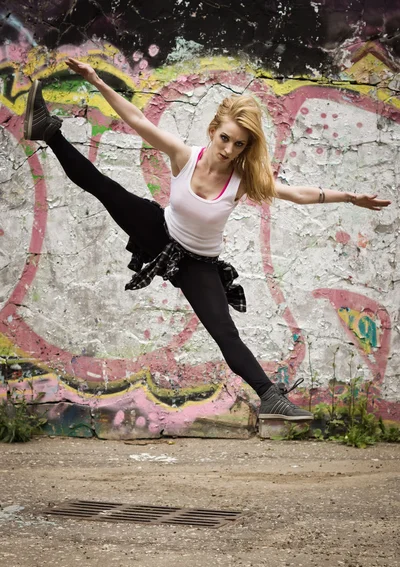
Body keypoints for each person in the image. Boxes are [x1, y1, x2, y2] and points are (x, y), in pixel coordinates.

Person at [23, 58, 390, 422]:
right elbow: (137, 120)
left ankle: (270, 397)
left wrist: (349, 197)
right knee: (104, 187)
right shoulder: (184, 156)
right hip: (160, 230)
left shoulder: (242, 181)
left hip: (198, 262)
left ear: (246, 148)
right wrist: (98, 82)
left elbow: (296, 194)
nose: (228, 149)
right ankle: (47, 130)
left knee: (225, 333)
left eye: (239, 145)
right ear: (214, 130)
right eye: (225, 138)